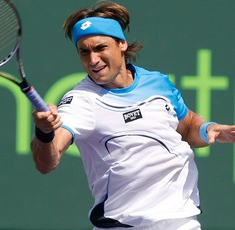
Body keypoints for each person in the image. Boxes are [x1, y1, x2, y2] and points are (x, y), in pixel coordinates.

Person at [31, 2, 235, 229]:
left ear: (122, 44)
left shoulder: (157, 82)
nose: (93, 60)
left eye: (100, 48)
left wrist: (209, 129)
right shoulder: (80, 100)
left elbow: (187, 127)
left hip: (182, 221)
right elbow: (46, 162)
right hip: (124, 225)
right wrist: (44, 132)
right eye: (84, 52)